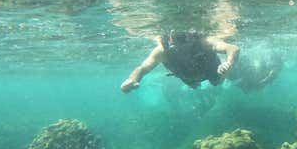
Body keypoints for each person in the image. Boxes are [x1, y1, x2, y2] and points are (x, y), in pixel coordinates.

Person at [120, 30, 282, 93]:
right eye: (177, 39)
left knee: (218, 82)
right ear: (169, 39)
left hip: (214, 73)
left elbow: (232, 48)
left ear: (190, 36)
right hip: (189, 77)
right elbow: (143, 68)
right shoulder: (163, 51)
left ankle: (259, 75)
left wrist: (229, 63)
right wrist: (132, 79)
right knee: (194, 84)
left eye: (184, 38)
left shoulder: (203, 42)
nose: (181, 43)